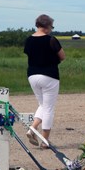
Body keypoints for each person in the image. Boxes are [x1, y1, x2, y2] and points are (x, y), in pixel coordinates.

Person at [24, 14, 65, 148]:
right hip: (49, 75)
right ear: (47, 26)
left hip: (32, 75)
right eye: (51, 26)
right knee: (48, 108)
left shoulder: (29, 40)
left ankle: (32, 129)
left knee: (42, 105)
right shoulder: (51, 40)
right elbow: (62, 56)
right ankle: (45, 141)